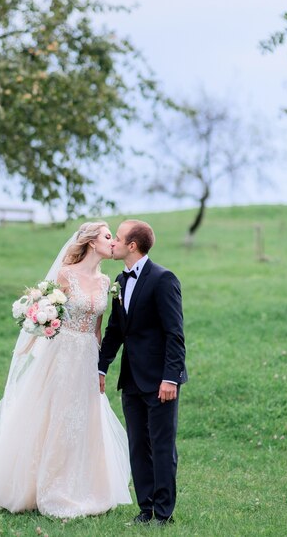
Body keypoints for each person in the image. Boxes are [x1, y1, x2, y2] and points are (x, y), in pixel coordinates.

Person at [0, 222, 132, 519]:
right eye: (108, 236)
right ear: (92, 242)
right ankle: (48, 488)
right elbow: (46, 310)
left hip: (87, 356)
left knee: (84, 419)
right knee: (56, 416)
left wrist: (100, 367)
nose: (113, 242)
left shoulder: (107, 282)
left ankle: (84, 486)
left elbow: (97, 329)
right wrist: (33, 334)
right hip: (62, 354)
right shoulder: (66, 274)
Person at [98, 219, 187, 526]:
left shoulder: (164, 279)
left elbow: (175, 333)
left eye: (118, 238)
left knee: (162, 447)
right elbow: (114, 331)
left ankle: (164, 514)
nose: (113, 243)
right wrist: (101, 366)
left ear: (131, 246)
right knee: (138, 446)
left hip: (161, 381)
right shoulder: (119, 282)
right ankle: (145, 509)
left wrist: (170, 377)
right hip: (132, 380)